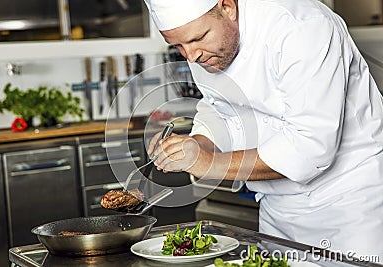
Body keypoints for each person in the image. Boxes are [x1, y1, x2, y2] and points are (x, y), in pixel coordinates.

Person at [145, 0, 383, 260]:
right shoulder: (202, 47)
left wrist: (212, 164)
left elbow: (311, 149)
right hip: (277, 211)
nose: (191, 56)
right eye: (178, 45)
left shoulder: (301, 27)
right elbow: (221, 106)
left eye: (198, 38)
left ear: (227, 6)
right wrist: (200, 143)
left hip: (349, 205)